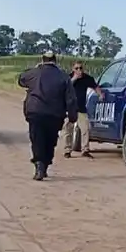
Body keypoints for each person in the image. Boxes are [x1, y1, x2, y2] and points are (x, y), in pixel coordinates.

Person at [17, 50, 76, 180]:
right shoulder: (64, 77)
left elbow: (21, 79)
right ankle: (44, 165)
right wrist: (72, 117)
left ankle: (39, 165)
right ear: (55, 61)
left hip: (35, 112)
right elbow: (71, 99)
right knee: (50, 141)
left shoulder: (34, 72)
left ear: (42, 60)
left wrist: (35, 68)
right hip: (55, 115)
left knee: (37, 139)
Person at [63, 62, 99, 157]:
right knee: (68, 130)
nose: (79, 70)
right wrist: (75, 78)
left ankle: (85, 150)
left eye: (81, 68)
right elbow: (65, 86)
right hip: (70, 108)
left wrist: (100, 94)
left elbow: (95, 86)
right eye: (77, 68)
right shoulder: (68, 77)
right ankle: (67, 150)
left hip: (81, 108)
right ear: (73, 69)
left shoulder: (87, 78)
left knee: (85, 129)